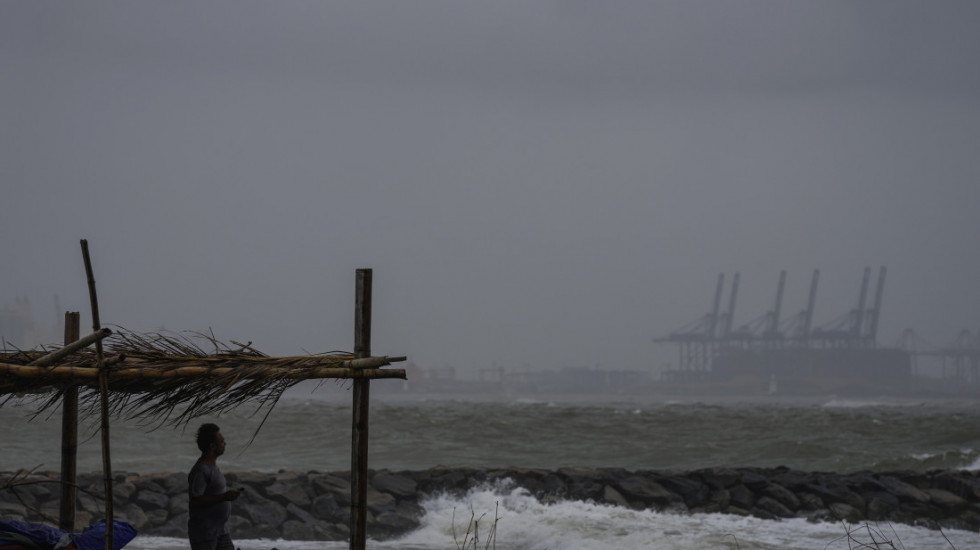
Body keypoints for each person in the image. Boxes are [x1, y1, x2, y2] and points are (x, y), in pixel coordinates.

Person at [187, 423, 242, 550]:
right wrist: (225, 497)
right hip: (204, 533)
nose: (225, 444)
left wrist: (226, 496)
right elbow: (195, 500)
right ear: (212, 446)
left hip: (221, 530)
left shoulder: (213, 467)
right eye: (222, 441)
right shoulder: (200, 470)